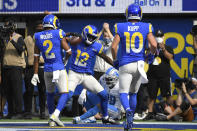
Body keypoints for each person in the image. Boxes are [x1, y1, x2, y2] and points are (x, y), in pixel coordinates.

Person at [111, 4, 157, 130]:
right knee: (133, 94)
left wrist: (115, 60)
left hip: (125, 64)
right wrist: (151, 56)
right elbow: (153, 44)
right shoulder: (146, 26)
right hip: (140, 65)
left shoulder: (120, 26)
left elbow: (114, 47)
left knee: (123, 93)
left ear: (127, 14)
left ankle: (127, 111)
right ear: (140, 14)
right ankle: (130, 122)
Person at [67, 25, 116, 124]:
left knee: (104, 95)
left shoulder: (96, 46)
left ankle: (105, 117)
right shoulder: (77, 41)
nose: (91, 39)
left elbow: (105, 57)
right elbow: (63, 40)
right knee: (68, 94)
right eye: (89, 36)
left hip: (88, 75)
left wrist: (116, 65)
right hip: (75, 72)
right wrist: (66, 35)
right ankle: (55, 113)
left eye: (93, 37)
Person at [31, 14, 72, 127]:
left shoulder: (37, 36)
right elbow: (69, 51)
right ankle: (55, 115)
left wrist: (35, 73)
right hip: (58, 68)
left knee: (49, 94)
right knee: (64, 93)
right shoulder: (59, 33)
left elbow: (36, 57)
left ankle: (51, 119)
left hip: (47, 69)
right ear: (54, 23)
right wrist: (65, 60)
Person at [144, 29, 174, 120]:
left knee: (168, 95)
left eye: (160, 36)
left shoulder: (168, 47)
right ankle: (150, 113)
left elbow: (170, 57)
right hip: (152, 76)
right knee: (151, 95)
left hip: (164, 76)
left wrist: (163, 48)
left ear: (163, 37)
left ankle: (171, 112)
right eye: (157, 36)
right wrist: (151, 49)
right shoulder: (150, 47)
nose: (159, 38)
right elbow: (145, 59)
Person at [1, 18, 26, 119]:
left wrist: (12, 41)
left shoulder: (19, 37)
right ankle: (10, 112)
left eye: (8, 26)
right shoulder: (4, 37)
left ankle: (19, 112)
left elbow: (21, 50)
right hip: (6, 67)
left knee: (17, 91)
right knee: (8, 91)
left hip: (16, 67)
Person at [23, 20, 46, 119]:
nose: (40, 28)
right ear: (35, 28)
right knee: (29, 91)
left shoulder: (47, 38)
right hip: (30, 67)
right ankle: (28, 112)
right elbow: (23, 53)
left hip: (42, 67)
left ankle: (42, 112)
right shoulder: (28, 39)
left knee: (42, 90)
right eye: (38, 27)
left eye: (42, 27)